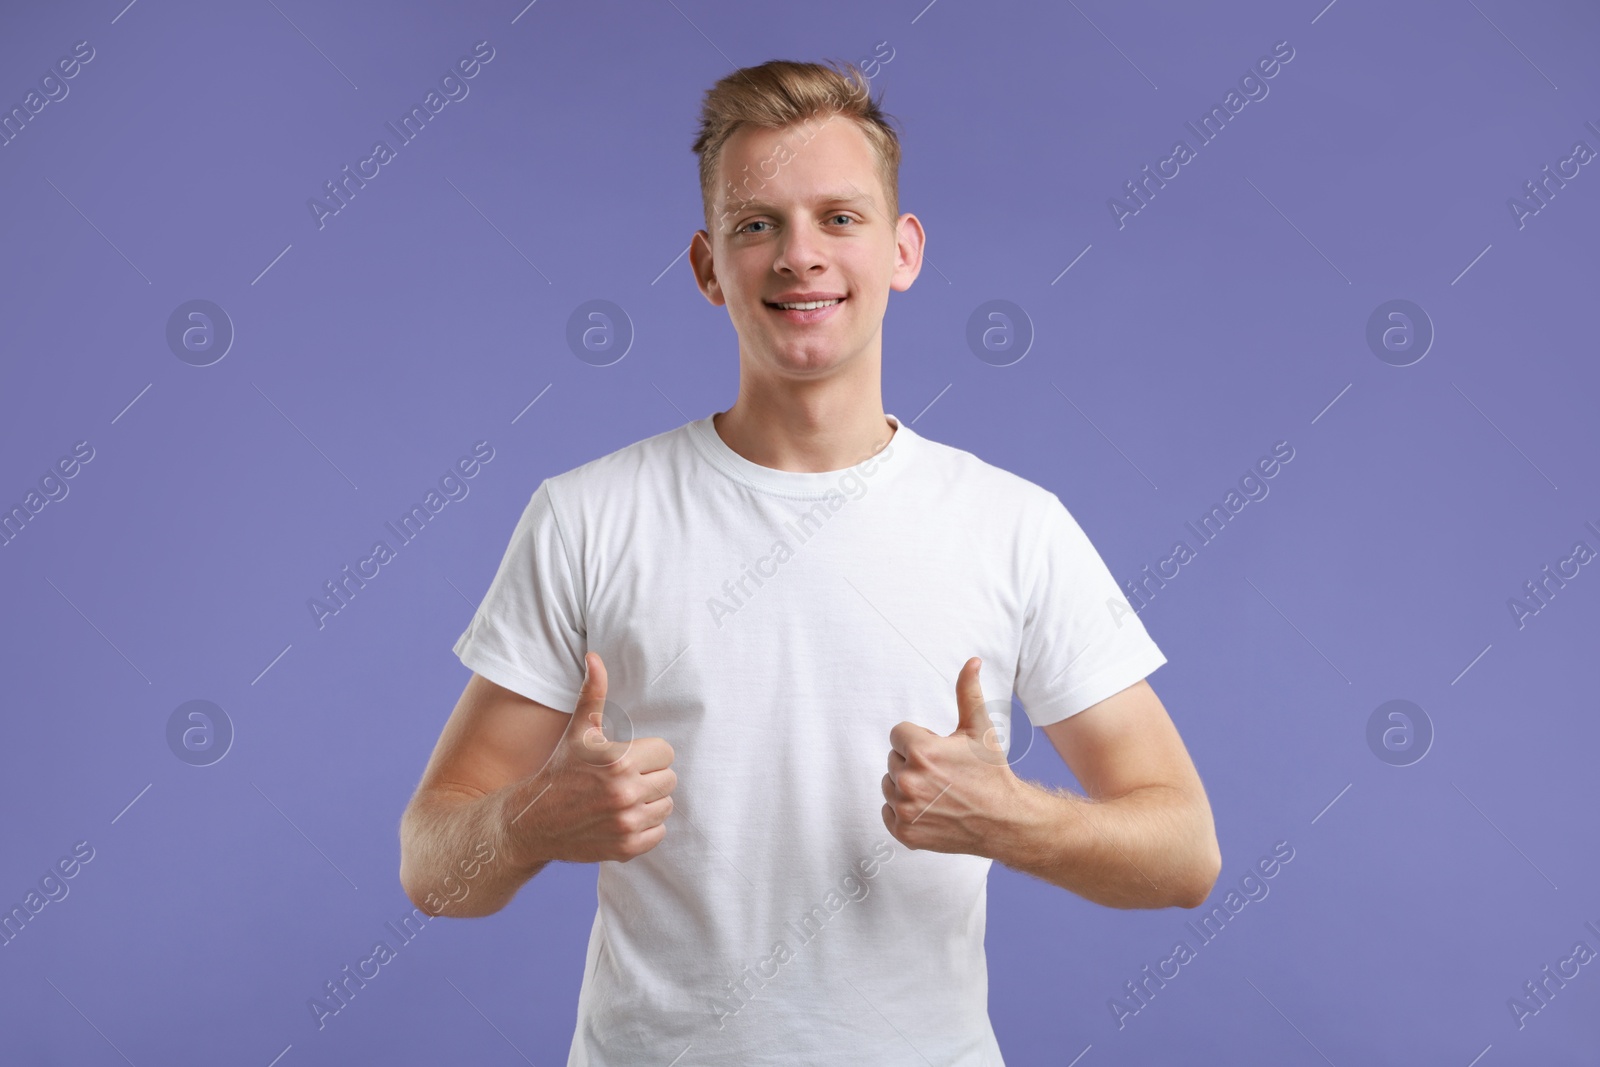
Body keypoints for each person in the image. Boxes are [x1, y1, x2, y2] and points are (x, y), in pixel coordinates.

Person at [399, 58, 1220, 1066]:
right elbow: (432, 869)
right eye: (757, 224)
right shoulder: (587, 516)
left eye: (839, 217)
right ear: (707, 266)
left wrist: (1009, 818)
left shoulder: (1015, 525)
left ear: (903, 249)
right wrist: (531, 819)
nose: (800, 256)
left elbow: (1183, 852)